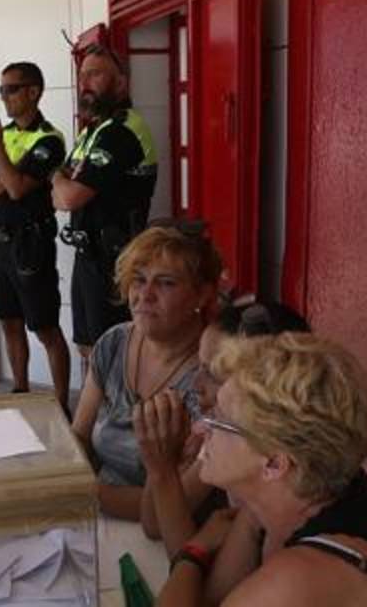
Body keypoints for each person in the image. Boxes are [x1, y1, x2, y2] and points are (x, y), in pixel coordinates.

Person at [157, 333, 367, 607]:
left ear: (274, 463)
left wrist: (192, 551)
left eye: (219, 420)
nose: (199, 427)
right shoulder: (300, 499)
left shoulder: (298, 579)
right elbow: (213, 599)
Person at [135, 296, 310, 557]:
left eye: (215, 374)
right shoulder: (230, 429)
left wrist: (163, 471)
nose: (196, 385)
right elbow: (153, 527)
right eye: (200, 367)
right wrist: (163, 466)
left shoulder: (293, 470)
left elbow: (195, 580)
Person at [70, 222, 221, 520]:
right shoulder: (114, 342)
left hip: (167, 532)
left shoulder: (211, 377)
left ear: (202, 295)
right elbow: (80, 436)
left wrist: (78, 493)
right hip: (97, 512)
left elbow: (178, 505)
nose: (145, 295)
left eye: (166, 283)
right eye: (138, 279)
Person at [0, 62, 71, 411]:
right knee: (9, 323)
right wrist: (8, 171)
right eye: (0, 90)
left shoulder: (49, 139)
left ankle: (61, 406)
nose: (3, 98)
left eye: (10, 90)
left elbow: (15, 190)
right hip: (0, 245)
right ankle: (20, 392)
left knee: (45, 328)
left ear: (33, 92)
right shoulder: (7, 134)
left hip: (31, 247)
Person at [52, 44, 158, 361]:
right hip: (88, 255)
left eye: (95, 74)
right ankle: (94, 412)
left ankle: (114, 412)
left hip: (117, 258)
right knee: (87, 348)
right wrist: (62, 182)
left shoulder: (122, 130)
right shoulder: (93, 131)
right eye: (82, 74)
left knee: (113, 354)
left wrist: (58, 177)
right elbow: (61, 194)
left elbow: (68, 196)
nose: (85, 82)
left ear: (121, 82)